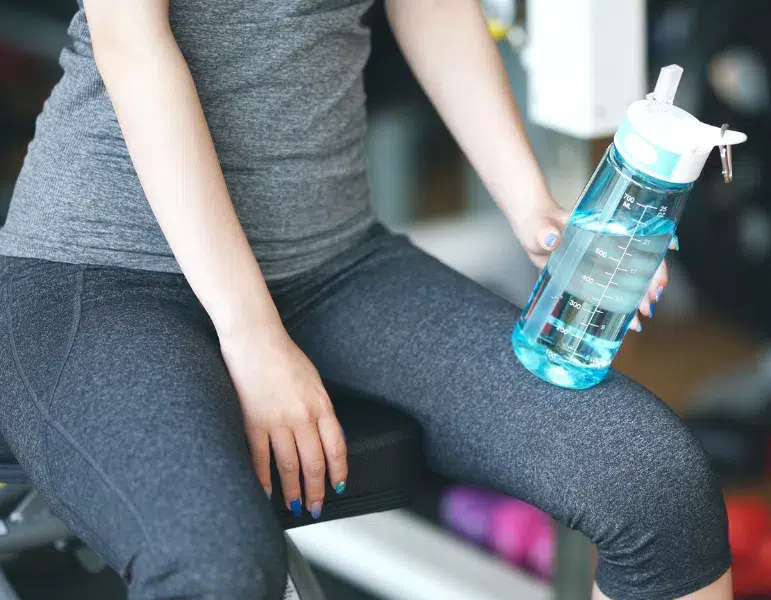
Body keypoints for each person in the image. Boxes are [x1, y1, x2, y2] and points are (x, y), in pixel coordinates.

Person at [0, 1, 732, 598]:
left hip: (331, 267)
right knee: (216, 571)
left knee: (654, 485)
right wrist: (253, 335)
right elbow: (132, 46)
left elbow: (432, 5)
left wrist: (533, 210)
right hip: (101, 272)